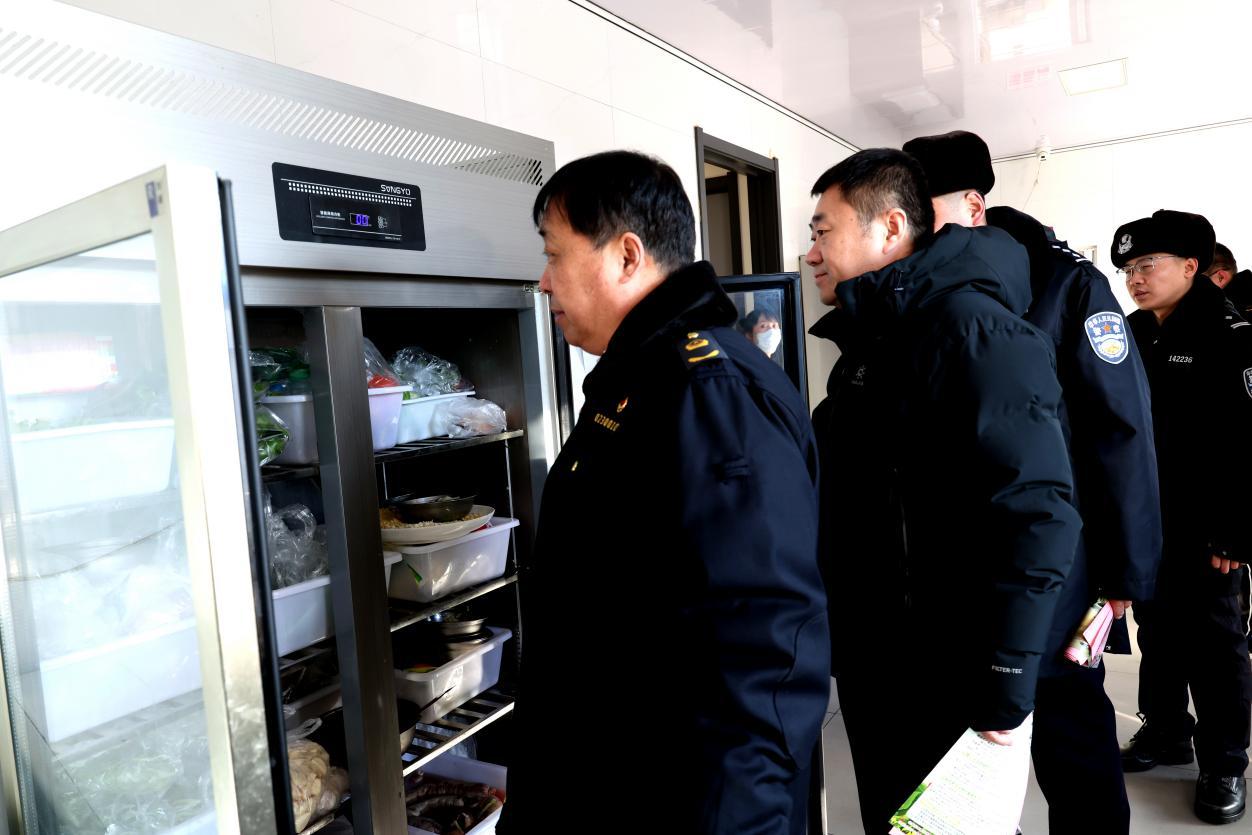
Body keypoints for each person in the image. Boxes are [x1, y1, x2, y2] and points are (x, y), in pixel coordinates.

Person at [503, 150, 830, 834]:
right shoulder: (642, 381)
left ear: (627, 255)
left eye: (554, 254)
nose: (544, 280)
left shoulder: (707, 394)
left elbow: (757, 649)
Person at [806, 148, 1081, 833]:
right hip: (882, 663)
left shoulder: (974, 329)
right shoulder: (873, 339)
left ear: (890, 227)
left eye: (823, 231)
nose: (811, 254)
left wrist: (1008, 675)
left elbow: (1038, 511)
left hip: (950, 671)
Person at [902, 130, 1162, 834]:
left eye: (922, 205)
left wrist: (1127, 570)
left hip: (1055, 558)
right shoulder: (917, 286)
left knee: (1069, 729)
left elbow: (1120, 429)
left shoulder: (1066, 283)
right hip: (960, 564)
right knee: (974, 751)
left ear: (972, 204)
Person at [1112, 209, 1252, 825]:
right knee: (1159, 630)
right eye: (1128, 269)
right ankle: (1167, 730)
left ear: (1192, 267)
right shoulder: (1132, 331)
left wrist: (1238, 528)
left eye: (1148, 265)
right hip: (1150, 516)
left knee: (1216, 644)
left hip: (1209, 524)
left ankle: (1224, 762)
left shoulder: (1231, 332)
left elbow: (1249, 439)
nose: (1136, 279)